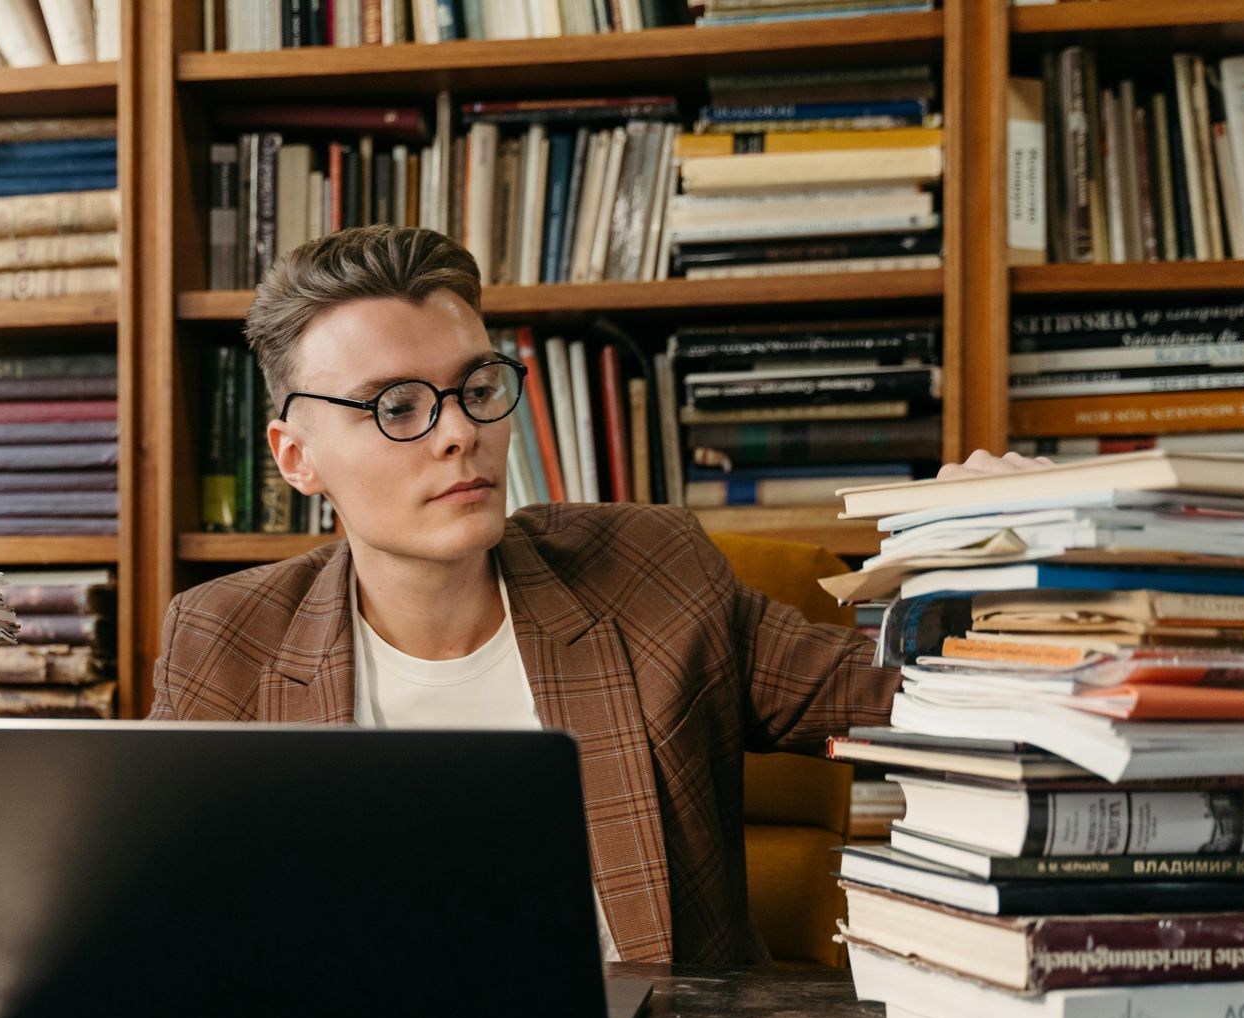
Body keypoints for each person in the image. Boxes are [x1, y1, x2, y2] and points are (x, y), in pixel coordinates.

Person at [149, 225, 1045, 964]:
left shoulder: (651, 578)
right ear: (296, 458)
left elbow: (916, 695)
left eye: (476, 388)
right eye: (397, 406)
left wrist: (1009, 562)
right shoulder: (226, 641)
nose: (459, 433)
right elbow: (151, 926)